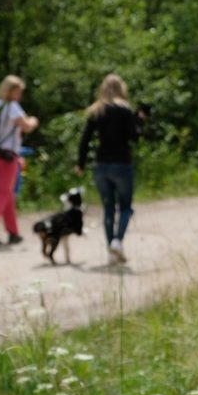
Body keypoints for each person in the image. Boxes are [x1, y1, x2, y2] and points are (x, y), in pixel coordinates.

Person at [76, 74, 145, 264]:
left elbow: (85, 140)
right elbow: (135, 137)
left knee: (108, 208)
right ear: (122, 88)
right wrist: (140, 121)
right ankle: (117, 241)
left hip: (101, 166)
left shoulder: (96, 110)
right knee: (125, 207)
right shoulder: (125, 110)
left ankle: (111, 250)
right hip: (122, 164)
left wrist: (80, 163)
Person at [0, 75, 39, 246]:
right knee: (3, 194)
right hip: (7, 157)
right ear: (11, 91)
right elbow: (26, 127)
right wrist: (34, 121)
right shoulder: (13, 107)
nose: (20, 95)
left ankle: (13, 232)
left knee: (8, 195)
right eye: (18, 92)